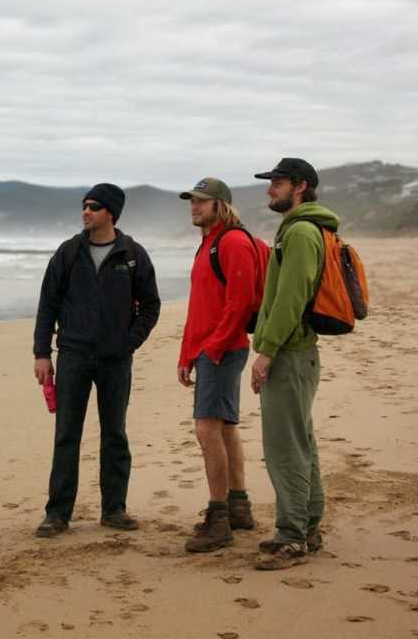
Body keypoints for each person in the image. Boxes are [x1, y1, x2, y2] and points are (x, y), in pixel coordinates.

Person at [32, 183, 161, 538]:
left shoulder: (132, 254)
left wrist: (128, 343)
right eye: (84, 206)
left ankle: (114, 510)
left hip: (115, 360)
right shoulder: (68, 253)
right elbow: (48, 305)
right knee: (66, 435)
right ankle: (57, 514)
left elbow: (150, 306)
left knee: (115, 434)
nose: (86, 212)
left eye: (94, 207)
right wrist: (42, 353)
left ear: (111, 214)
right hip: (72, 355)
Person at [250, 158, 339, 570]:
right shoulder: (300, 229)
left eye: (278, 183)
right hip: (296, 352)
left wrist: (266, 350)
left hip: (290, 352)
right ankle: (309, 527)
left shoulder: (302, 232)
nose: (271, 189)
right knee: (301, 443)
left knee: (285, 447)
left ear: (300, 187)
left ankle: (293, 537)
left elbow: (290, 299)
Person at [177, 177, 259, 552]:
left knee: (206, 429)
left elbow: (239, 303)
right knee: (224, 428)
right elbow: (200, 306)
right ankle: (239, 507)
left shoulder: (233, 242)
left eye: (201, 201)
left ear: (220, 205)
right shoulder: (207, 244)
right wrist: (186, 354)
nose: (193, 206)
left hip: (224, 351)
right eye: (191, 201)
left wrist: (212, 349)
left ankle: (219, 519)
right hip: (211, 350)